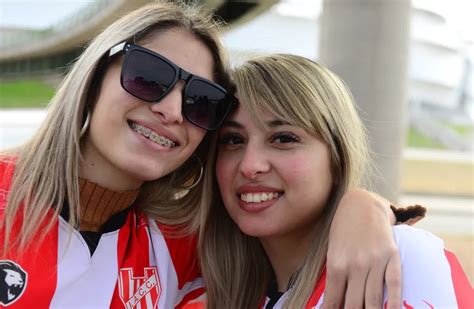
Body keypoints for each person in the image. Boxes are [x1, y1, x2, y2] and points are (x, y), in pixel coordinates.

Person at [0, 2, 423, 308]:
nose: (170, 110)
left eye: (201, 101)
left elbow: (293, 226)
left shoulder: (181, 238)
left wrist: (361, 206)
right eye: (149, 76)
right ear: (93, 77)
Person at [199, 54, 472, 308]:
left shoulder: (399, 259)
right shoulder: (211, 284)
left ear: (338, 157)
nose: (250, 166)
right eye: (233, 140)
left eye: (283, 138)